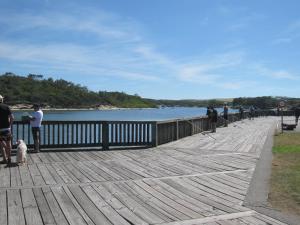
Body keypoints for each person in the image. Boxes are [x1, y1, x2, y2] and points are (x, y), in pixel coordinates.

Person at [0, 95, 14, 165]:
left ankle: (4, 159)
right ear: (2, 100)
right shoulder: (6, 107)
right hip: (7, 129)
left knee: (2, 145)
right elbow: (12, 117)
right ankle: (9, 158)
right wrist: (10, 125)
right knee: (9, 144)